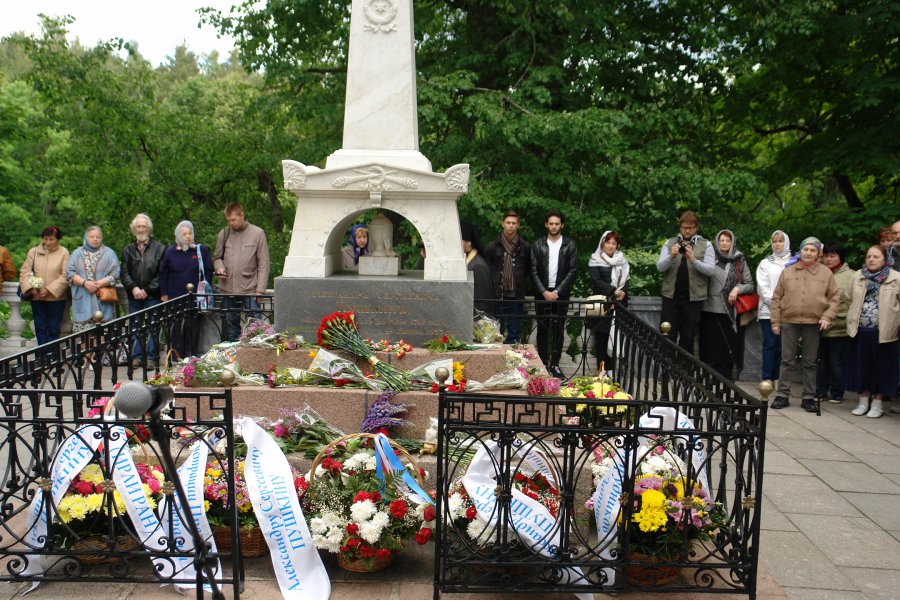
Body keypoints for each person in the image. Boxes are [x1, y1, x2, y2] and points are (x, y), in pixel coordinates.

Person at [770, 237, 839, 411]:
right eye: (805, 249)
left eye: (812, 250)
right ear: (800, 251)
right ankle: (782, 395)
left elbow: (834, 298)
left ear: (818, 253)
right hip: (789, 320)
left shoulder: (825, 273)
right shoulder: (788, 271)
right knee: (787, 360)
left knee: (810, 362)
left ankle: (808, 397)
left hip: (813, 322)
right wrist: (775, 321)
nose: (808, 253)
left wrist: (827, 316)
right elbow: (777, 297)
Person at [845, 245, 900, 418]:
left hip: (884, 332)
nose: (871, 259)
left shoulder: (895, 278)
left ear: (885, 259)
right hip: (860, 330)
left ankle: (877, 404)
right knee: (862, 367)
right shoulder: (858, 276)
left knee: (881, 368)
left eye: (876, 256)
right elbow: (848, 297)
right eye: (869, 256)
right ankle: (862, 401)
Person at [656, 211, 716, 353]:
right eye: (684, 227)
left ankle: (684, 367)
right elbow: (660, 267)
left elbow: (710, 270)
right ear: (680, 227)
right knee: (667, 334)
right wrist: (671, 256)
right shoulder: (670, 242)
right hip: (671, 297)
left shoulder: (706, 244)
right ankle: (666, 366)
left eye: (691, 227)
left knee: (688, 337)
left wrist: (693, 260)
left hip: (693, 299)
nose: (687, 231)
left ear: (696, 228)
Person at [699, 230, 755, 379]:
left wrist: (737, 289)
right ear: (717, 242)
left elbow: (750, 284)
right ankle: (708, 376)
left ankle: (726, 377)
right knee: (710, 344)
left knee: (727, 345)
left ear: (732, 242)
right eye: (721, 240)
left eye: (727, 240)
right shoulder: (709, 258)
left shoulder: (739, 259)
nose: (724, 243)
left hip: (730, 310)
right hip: (709, 308)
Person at [530, 210, 578, 378]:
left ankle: (555, 365)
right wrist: (544, 291)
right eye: (551, 223)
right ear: (546, 225)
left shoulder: (570, 245)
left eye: (557, 223)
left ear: (562, 225)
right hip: (542, 293)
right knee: (542, 329)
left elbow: (573, 270)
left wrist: (557, 291)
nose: (554, 226)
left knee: (558, 329)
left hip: (561, 294)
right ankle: (543, 363)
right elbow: (533, 270)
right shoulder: (538, 245)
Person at [213, 203, 270, 342]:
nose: (231, 223)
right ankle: (234, 353)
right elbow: (217, 258)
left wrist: (260, 290)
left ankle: (255, 352)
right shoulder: (224, 233)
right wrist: (219, 267)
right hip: (228, 289)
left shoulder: (257, 233)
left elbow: (263, 263)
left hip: (250, 289)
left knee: (255, 327)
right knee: (232, 328)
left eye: (233, 219)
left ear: (242, 215)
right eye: (228, 220)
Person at [161, 221, 214, 359]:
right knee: (176, 328)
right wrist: (164, 294)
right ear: (179, 235)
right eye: (184, 234)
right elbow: (163, 273)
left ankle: (191, 357)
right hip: (175, 297)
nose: (188, 236)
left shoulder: (200, 250)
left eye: (190, 233)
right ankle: (176, 357)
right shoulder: (170, 252)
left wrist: (204, 287)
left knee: (193, 328)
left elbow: (209, 270)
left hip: (196, 297)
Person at [121, 213, 166, 367]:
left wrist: (147, 290)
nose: (141, 229)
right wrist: (133, 288)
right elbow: (124, 273)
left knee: (154, 326)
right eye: (138, 226)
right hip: (133, 295)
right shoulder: (128, 250)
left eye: (144, 227)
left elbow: (161, 274)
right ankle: (137, 356)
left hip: (153, 295)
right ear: (134, 229)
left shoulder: (160, 248)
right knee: (135, 326)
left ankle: (152, 358)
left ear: (149, 229)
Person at [19, 226, 70, 350]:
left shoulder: (64, 252)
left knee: (54, 328)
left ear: (57, 239)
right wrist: (32, 290)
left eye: (51, 239)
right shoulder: (34, 251)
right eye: (46, 239)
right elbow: (25, 272)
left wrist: (49, 289)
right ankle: (42, 355)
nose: (48, 242)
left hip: (56, 298)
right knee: (40, 327)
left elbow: (65, 275)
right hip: (36, 297)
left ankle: (52, 355)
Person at [815, 242, 854, 404]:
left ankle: (837, 392)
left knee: (835, 361)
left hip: (839, 326)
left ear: (841, 257)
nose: (828, 259)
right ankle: (821, 391)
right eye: (825, 256)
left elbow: (851, 302)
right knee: (820, 361)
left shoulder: (851, 276)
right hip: (818, 325)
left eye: (832, 256)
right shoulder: (819, 273)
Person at [485, 210, 530, 343]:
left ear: (518, 225)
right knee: (496, 334)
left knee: (514, 334)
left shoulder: (525, 247)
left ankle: (512, 356)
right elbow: (488, 270)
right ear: (503, 223)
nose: (511, 225)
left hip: (517, 296)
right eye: (508, 222)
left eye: (514, 223)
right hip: (498, 296)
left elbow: (527, 269)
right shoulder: (493, 246)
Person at [587, 230, 629, 373]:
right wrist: (613, 293)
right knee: (601, 339)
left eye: (614, 243)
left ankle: (611, 372)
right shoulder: (595, 259)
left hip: (619, 304)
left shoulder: (622, 260)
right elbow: (596, 281)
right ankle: (601, 372)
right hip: (601, 303)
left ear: (617, 245)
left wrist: (621, 294)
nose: (610, 246)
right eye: (608, 242)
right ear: (602, 243)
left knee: (614, 338)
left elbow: (626, 281)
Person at [66, 226, 120, 331]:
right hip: (83, 299)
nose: (95, 239)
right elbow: (69, 273)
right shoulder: (77, 253)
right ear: (86, 237)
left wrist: (99, 284)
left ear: (102, 238)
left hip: (104, 300)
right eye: (92, 237)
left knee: (104, 335)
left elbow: (116, 273)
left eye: (98, 237)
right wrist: (85, 283)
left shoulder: (109, 253)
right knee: (84, 337)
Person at [756, 230, 791, 382]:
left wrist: (786, 306)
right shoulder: (765, 263)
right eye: (775, 241)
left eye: (780, 241)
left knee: (783, 347)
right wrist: (777, 306)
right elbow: (763, 288)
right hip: (768, 311)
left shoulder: (794, 262)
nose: (777, 244)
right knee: (770, 344)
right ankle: (767, 378)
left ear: (786, 242)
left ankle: (779, 378)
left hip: (789, 311)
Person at [460, 222, 494, 314]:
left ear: (469, 243)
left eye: (460, 240)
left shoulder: (477, 266)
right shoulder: (470, 260)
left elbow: (481, 301)